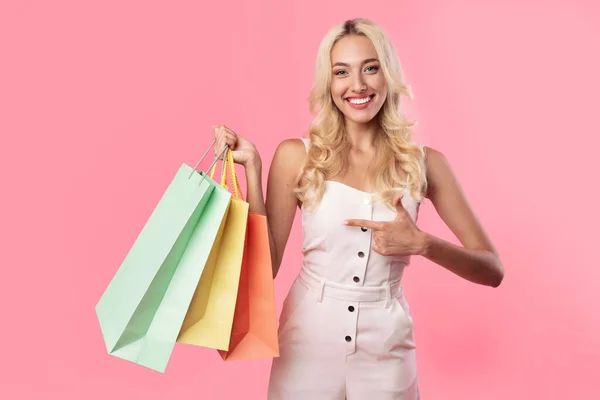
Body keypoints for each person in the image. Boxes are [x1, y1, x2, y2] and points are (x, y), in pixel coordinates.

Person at [212, 17, 504, 400]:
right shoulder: (297, 155)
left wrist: (422, 244)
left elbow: (492, 270)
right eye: (341, 72)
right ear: (329, 83)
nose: (358, 85)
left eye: (371, 68)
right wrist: (253, 169)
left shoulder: (426, 164)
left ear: (388, 74)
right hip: (307, 339)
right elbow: (265, 268)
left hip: (388, 345)